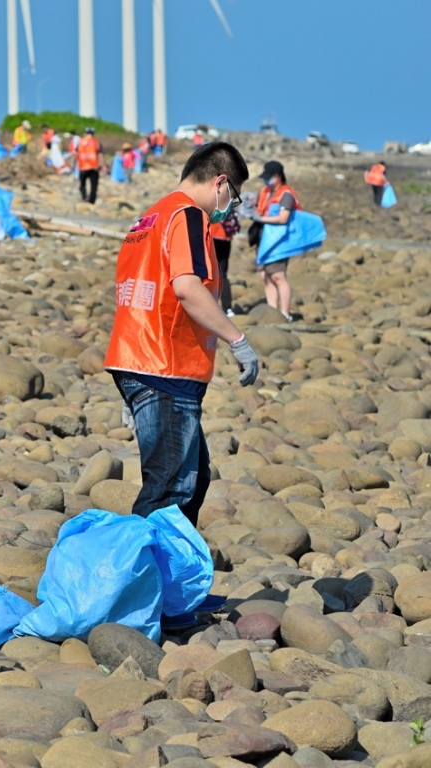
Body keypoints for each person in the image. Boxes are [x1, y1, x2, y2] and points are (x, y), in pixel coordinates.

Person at [104, 142, 259, 628]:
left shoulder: (148, 218)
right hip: (163, 365)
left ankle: (176, 588)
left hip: (141, 361)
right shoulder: (189, 216)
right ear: (220, 183)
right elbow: (187, 287)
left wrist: (132, 387)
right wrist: (237, 338)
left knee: (194, 477)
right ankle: (144, 600)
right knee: (170, 484)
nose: (230, 206)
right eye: (233, 195)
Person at [251, 160, 299, 321]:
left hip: (278, 241)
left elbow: (284, 218)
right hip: (263, 239)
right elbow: (256, 206)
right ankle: (273, 311)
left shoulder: (286, 194)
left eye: (269, 177)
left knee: (278, 276)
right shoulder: (265, 191)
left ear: (277, 176)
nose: (266, 180)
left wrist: (261, 218)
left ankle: (285, 313)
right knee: (265, 276)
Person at [210, 208, 240, 317]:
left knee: (206, 273)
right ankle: (228, 309)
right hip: (225, 238)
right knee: (223, 276)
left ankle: (210, 309)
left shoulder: (211, 197)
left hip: (212, 236)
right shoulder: (227, 200)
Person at [77, 127, 103, 204]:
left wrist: (72, 163)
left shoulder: (80, 142)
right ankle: (91, 201)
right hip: (94, 167)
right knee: (94, 185)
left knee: (82, 184)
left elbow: (76, 153)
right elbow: (100, 154)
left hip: (83, 167)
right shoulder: (96, 142)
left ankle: (84, 197)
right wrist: (102, 164)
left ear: (85, 133)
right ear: (93, 134)